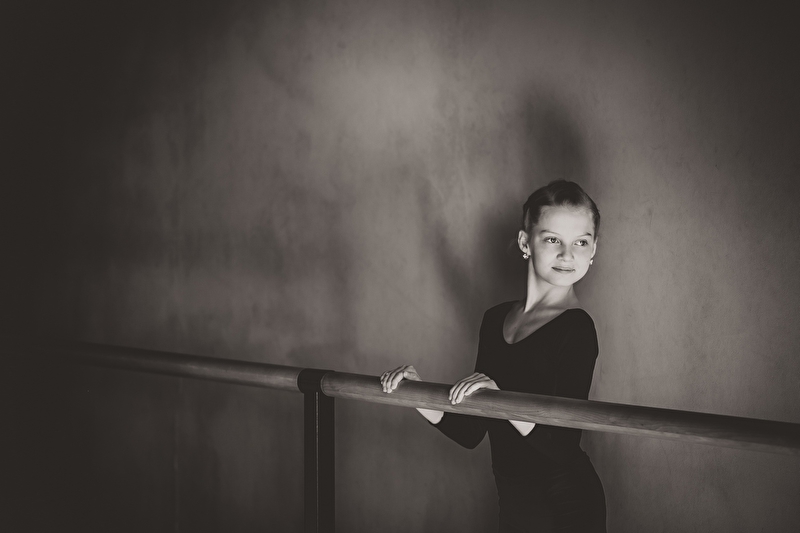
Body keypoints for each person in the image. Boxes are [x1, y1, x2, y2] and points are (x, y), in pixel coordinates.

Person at [380, 180, 607, 532]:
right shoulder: (494, 319)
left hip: (565, 503)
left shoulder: (577, 329)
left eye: (581, 242)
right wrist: (416, 392)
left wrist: (501, 400)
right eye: (552, 240)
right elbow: (472, 430)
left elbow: (563, 445)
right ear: (525, 242)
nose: (568, 255)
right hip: (513, 498)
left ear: (593, 250)